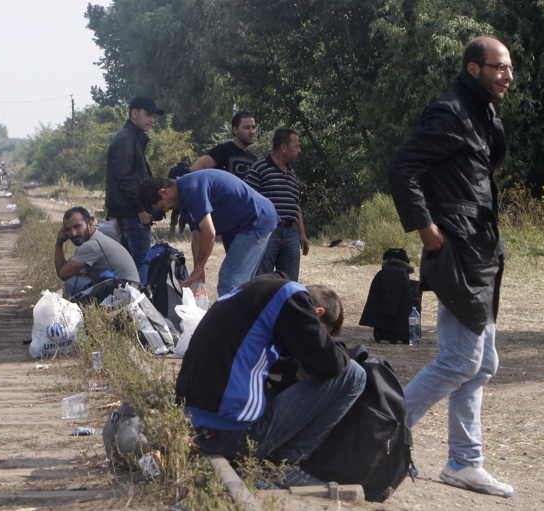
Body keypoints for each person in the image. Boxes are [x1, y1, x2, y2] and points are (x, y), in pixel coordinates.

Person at [387, 36, 514, 498]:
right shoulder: (452, 110)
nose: (508, 75)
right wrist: (426, 228)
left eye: (509, 67)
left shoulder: (481, 112)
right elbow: (401, 167)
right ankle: (380, 434)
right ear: (473, 68)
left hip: (481, 251)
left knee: (482, 364)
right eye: (499, 67)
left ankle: (464, 460)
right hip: (458, 249)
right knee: (462, 358)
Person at [175, 272, 365, 486]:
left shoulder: (248, 293)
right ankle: (282, 466)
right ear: (316, 313)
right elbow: (333, 365)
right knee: (354, 374)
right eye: (323, 332)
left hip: (192, 424)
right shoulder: (292, 298)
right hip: (232, 437)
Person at [138, 169, 278, 297]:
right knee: (241, 285)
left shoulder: (191, 188)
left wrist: (200, 266)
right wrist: (198, 268)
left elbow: (209, 233)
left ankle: (231, 323)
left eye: (162, 206)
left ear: (163, 192)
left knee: (230, 280)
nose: (166, 210)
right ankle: (246, 322)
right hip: (243, 224)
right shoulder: (183, 198)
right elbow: (197, 236)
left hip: (255, 220)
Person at [105, 95, 164, 270]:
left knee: (128, 264)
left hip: (131, 213)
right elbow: (124, 178)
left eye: (153, 116)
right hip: (133, 214)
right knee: (141, 264)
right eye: (148, 114)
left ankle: (128, 295)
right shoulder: (125, 139)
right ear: (134, 113)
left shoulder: (132, 137)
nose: (152, 120)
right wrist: (141, 208)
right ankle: (139, 297)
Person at [245, 127, 309, 281]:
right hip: (267, 232)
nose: (299, 150)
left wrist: (301, 233)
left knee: (289, 283)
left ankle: (286, 306)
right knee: (263, 280)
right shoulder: (259, 169)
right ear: (283, 147)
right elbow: (247, 201)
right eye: (296, 146)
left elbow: (295, 205)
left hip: (290, 234)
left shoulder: (291, 173)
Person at [54, 207, 140, 297]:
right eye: (68, 230)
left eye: (77, 227)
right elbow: (63, 270)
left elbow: (63, 274)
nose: (73, 233)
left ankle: (71, 311)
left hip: (125, 295)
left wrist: (59, 245)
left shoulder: (91, 246)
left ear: (90, 224)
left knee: (71, 283)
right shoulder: (96, 239)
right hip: (127, 289)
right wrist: (59, 244)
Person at [190, 110, 258, 179]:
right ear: (235, 130)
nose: (251, 131)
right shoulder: (223, 150)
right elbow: (196, 168)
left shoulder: (253, 158)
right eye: (247, 127)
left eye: (253, 127)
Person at [167, 156, 192, 234]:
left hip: (174, 192)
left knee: (175, 210)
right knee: (184, 211)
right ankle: (181, 229)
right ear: (187, 161)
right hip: (185, 193)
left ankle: (172, 226)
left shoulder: (173, 170)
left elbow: (168, 181)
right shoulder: (189, 171)